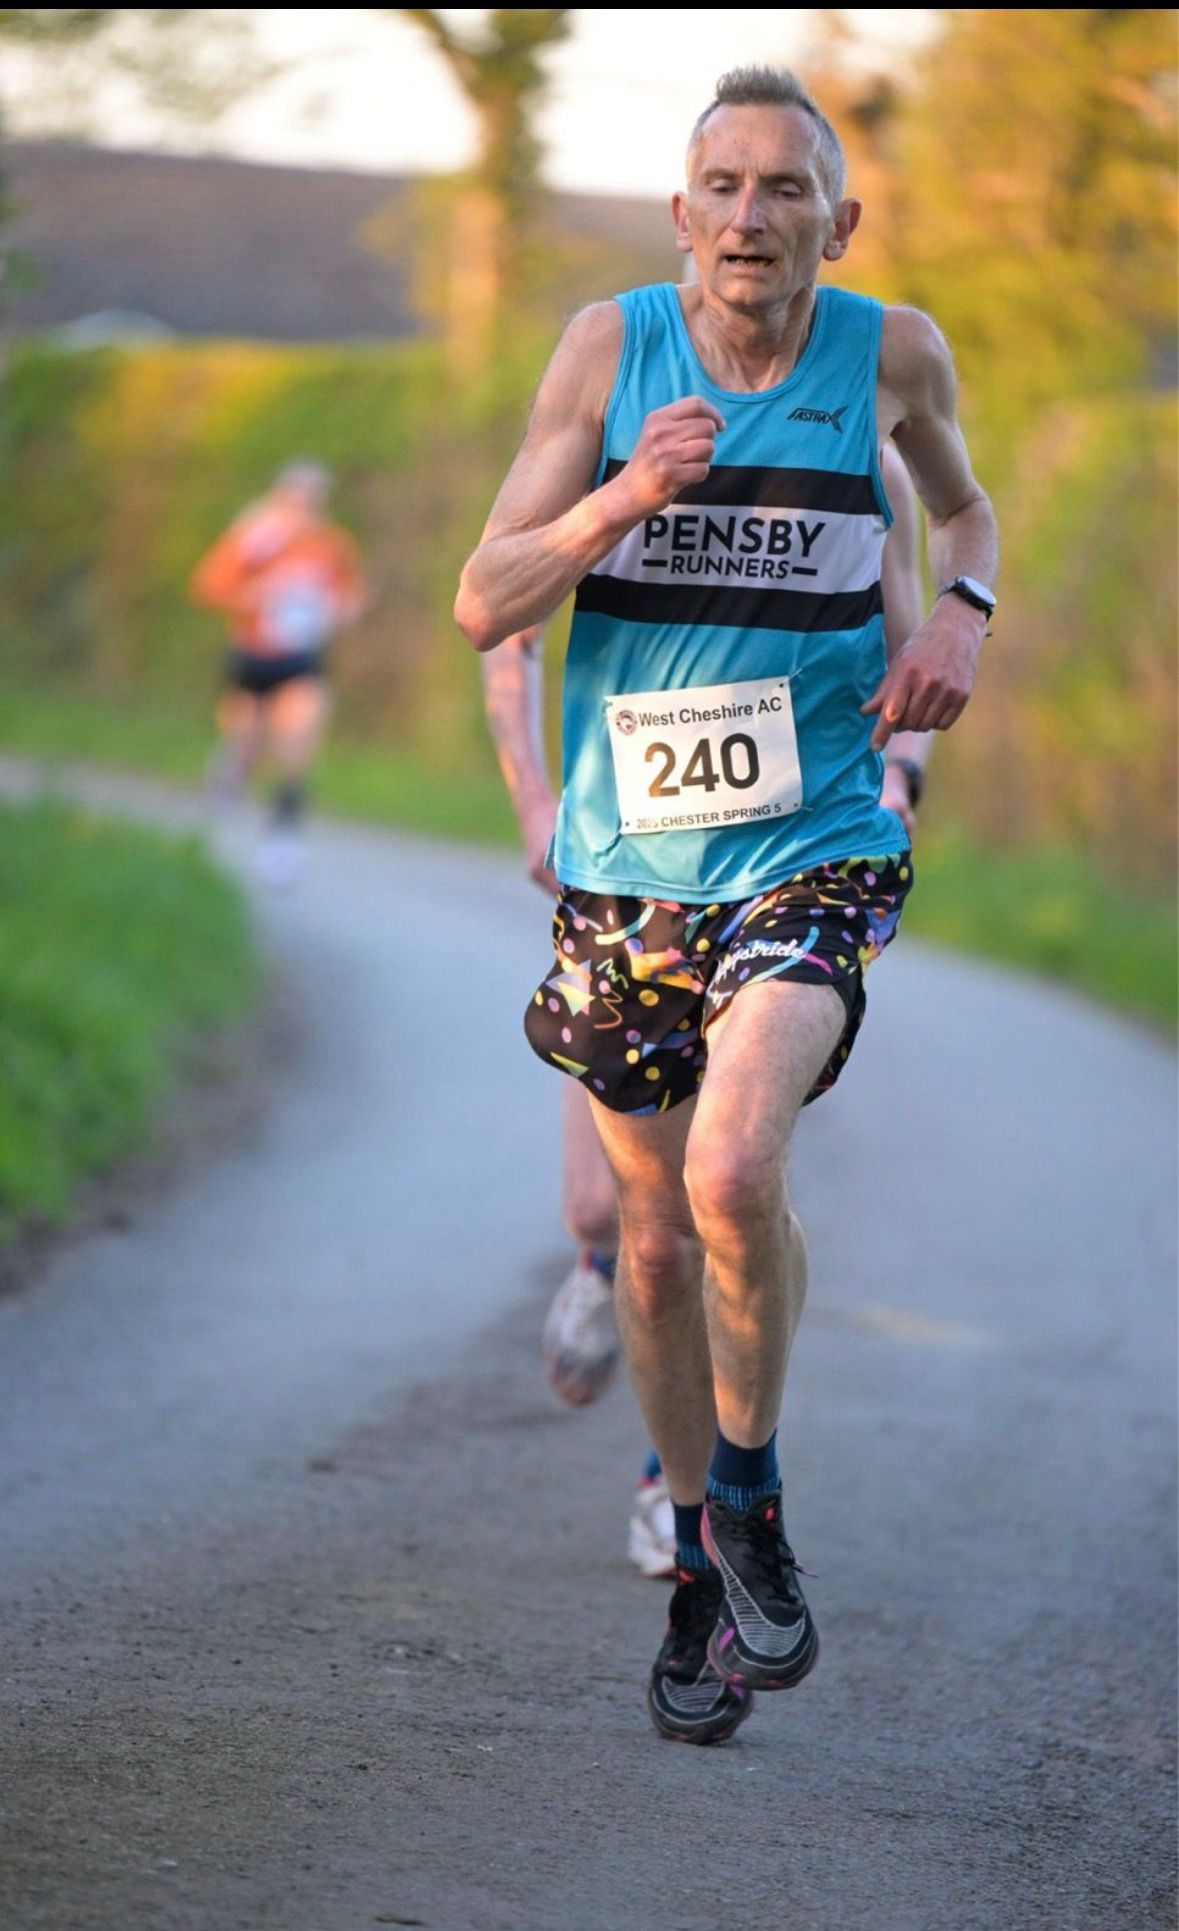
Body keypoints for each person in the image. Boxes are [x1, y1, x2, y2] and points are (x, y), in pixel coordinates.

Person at [456, 66, 997, 1746]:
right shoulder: (607, 353)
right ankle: (696, 1552)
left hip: (811, 840)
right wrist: (621, 498)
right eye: (723, 187)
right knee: (641, 1247)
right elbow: (483, 598)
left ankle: (745, 1498)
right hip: (628, 869)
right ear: (677, 214)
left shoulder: (888, 352)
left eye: (785, 190)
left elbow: (962, 505)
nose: (752, 217)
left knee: (728, 1166)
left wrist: (958, 615)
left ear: (839, 222)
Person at [481, 443, 933, 1585]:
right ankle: (601, 1268)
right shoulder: (623, 426)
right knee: (613, 1206)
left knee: (725, 1175)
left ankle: (674, 1485)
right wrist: (533, 795)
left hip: (787, 861)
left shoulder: (854, 444)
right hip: (629, 863)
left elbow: (912, 624)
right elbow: (506, 629)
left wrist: (904, 775)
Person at [189, 462, 368, 886]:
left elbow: (353, 594)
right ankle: (224, 794)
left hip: (302, 661)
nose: (304, 506)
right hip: (252, 656)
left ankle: (281, 844)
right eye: (297, 496)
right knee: (247, 746)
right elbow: (208, 586)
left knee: (296, 750)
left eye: (314, 498)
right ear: (280, 496)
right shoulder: (255, 538)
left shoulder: (332, 545)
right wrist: (252, 596)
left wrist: (341, 610)